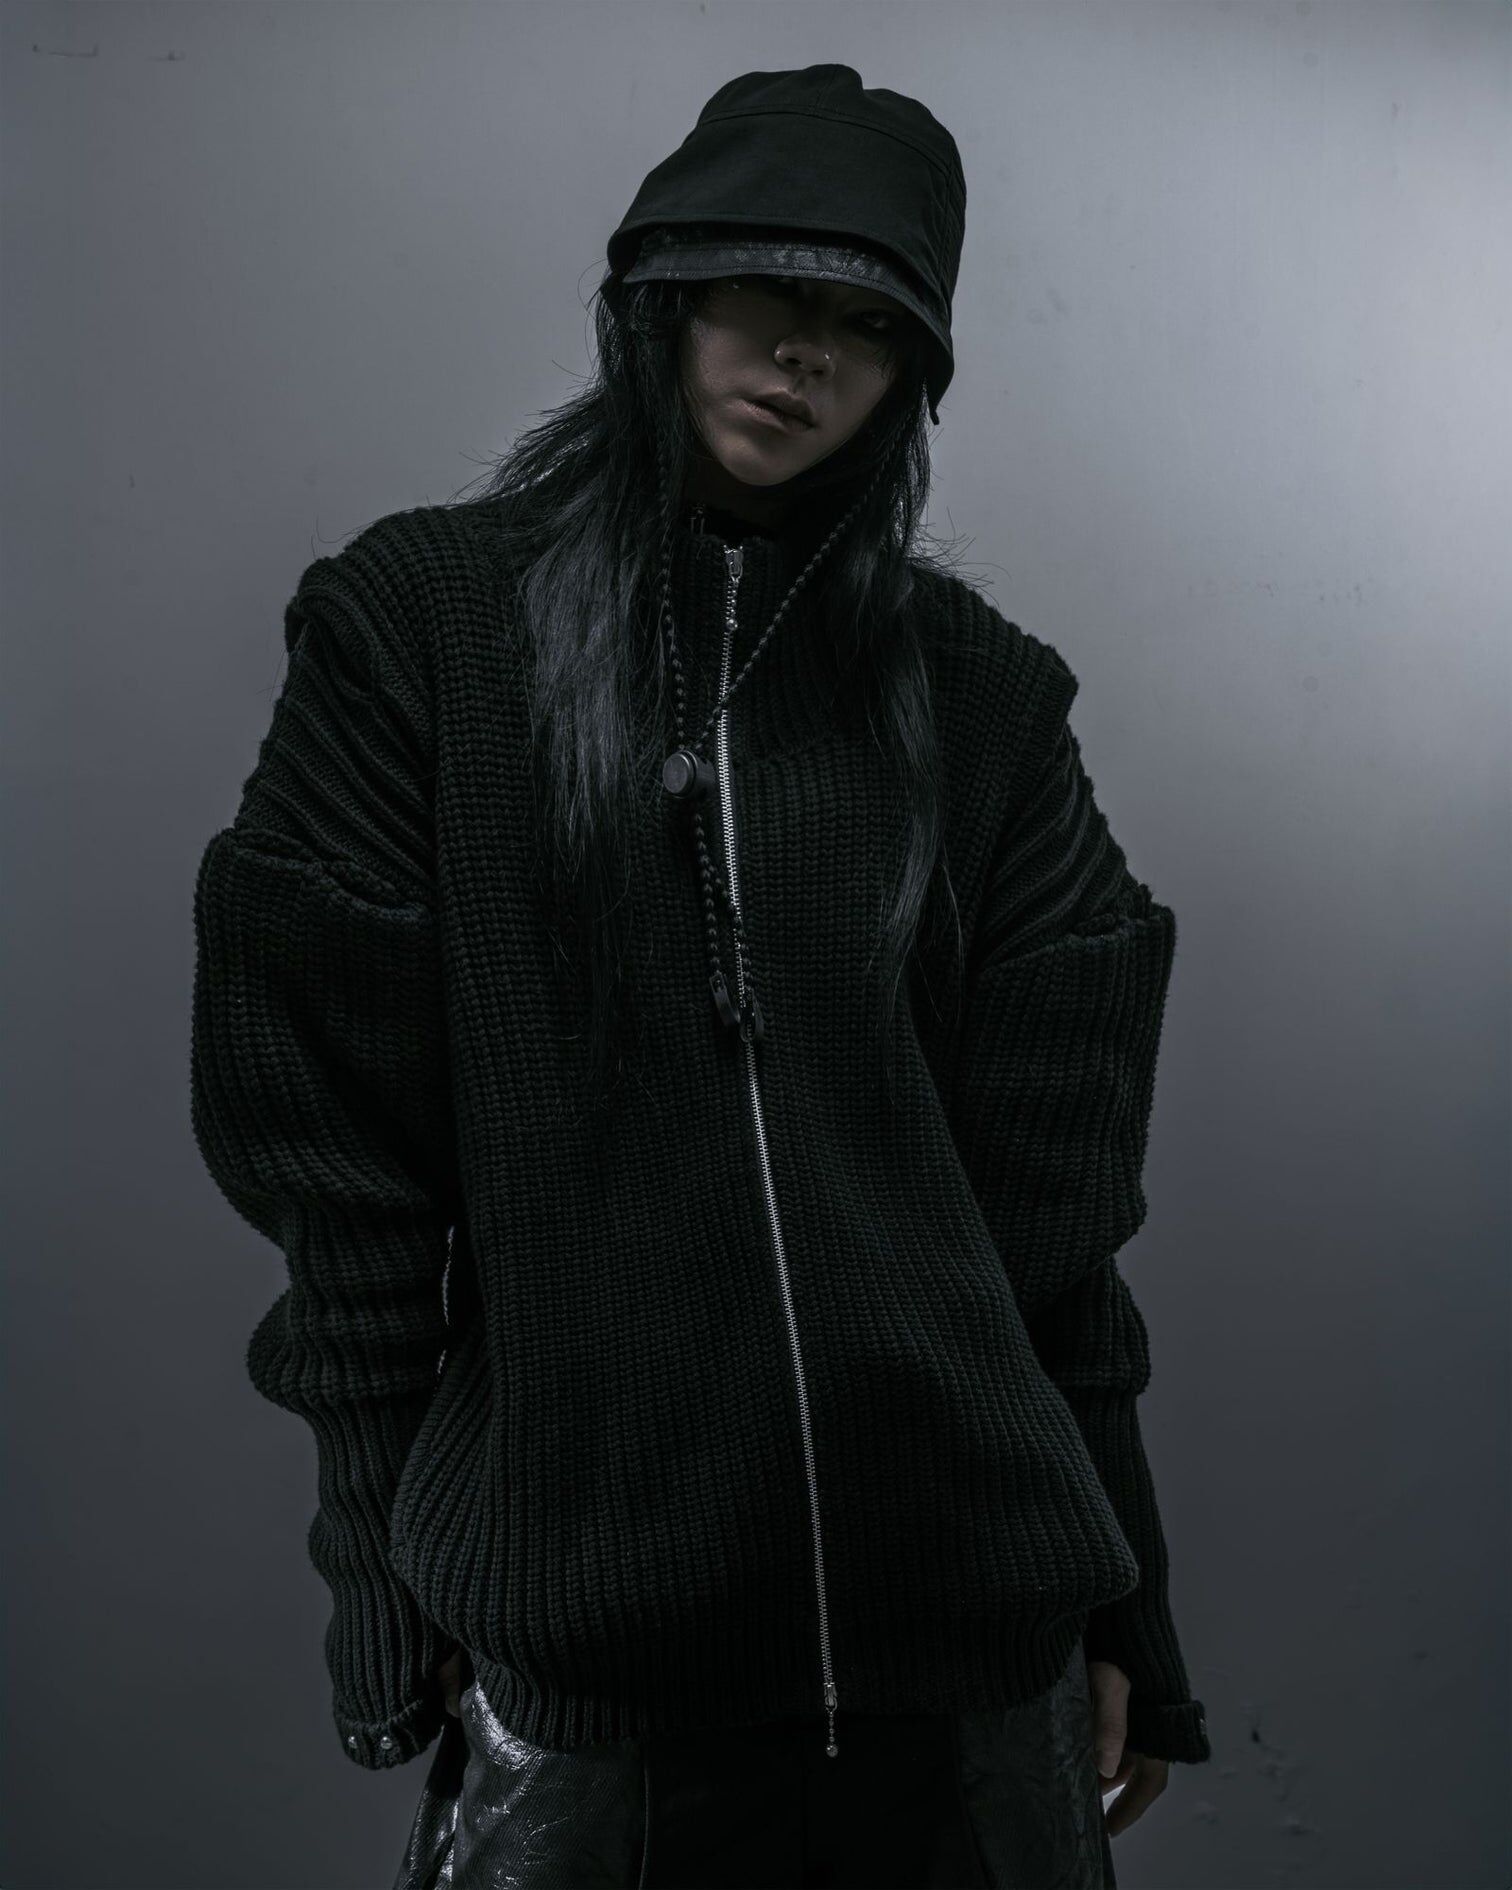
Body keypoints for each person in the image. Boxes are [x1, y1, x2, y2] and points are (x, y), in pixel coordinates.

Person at [190, 63, 1209, 1890]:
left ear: (912, 379)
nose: (805, 355)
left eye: (867, 325)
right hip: (600, 1675)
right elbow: (340, 1175)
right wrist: (382, 1575)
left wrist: (1121, 1598)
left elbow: (1056, 1216)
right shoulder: (420, 635)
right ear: (659, 297)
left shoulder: (981, 697)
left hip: (972, 1669)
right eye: (766, 292)